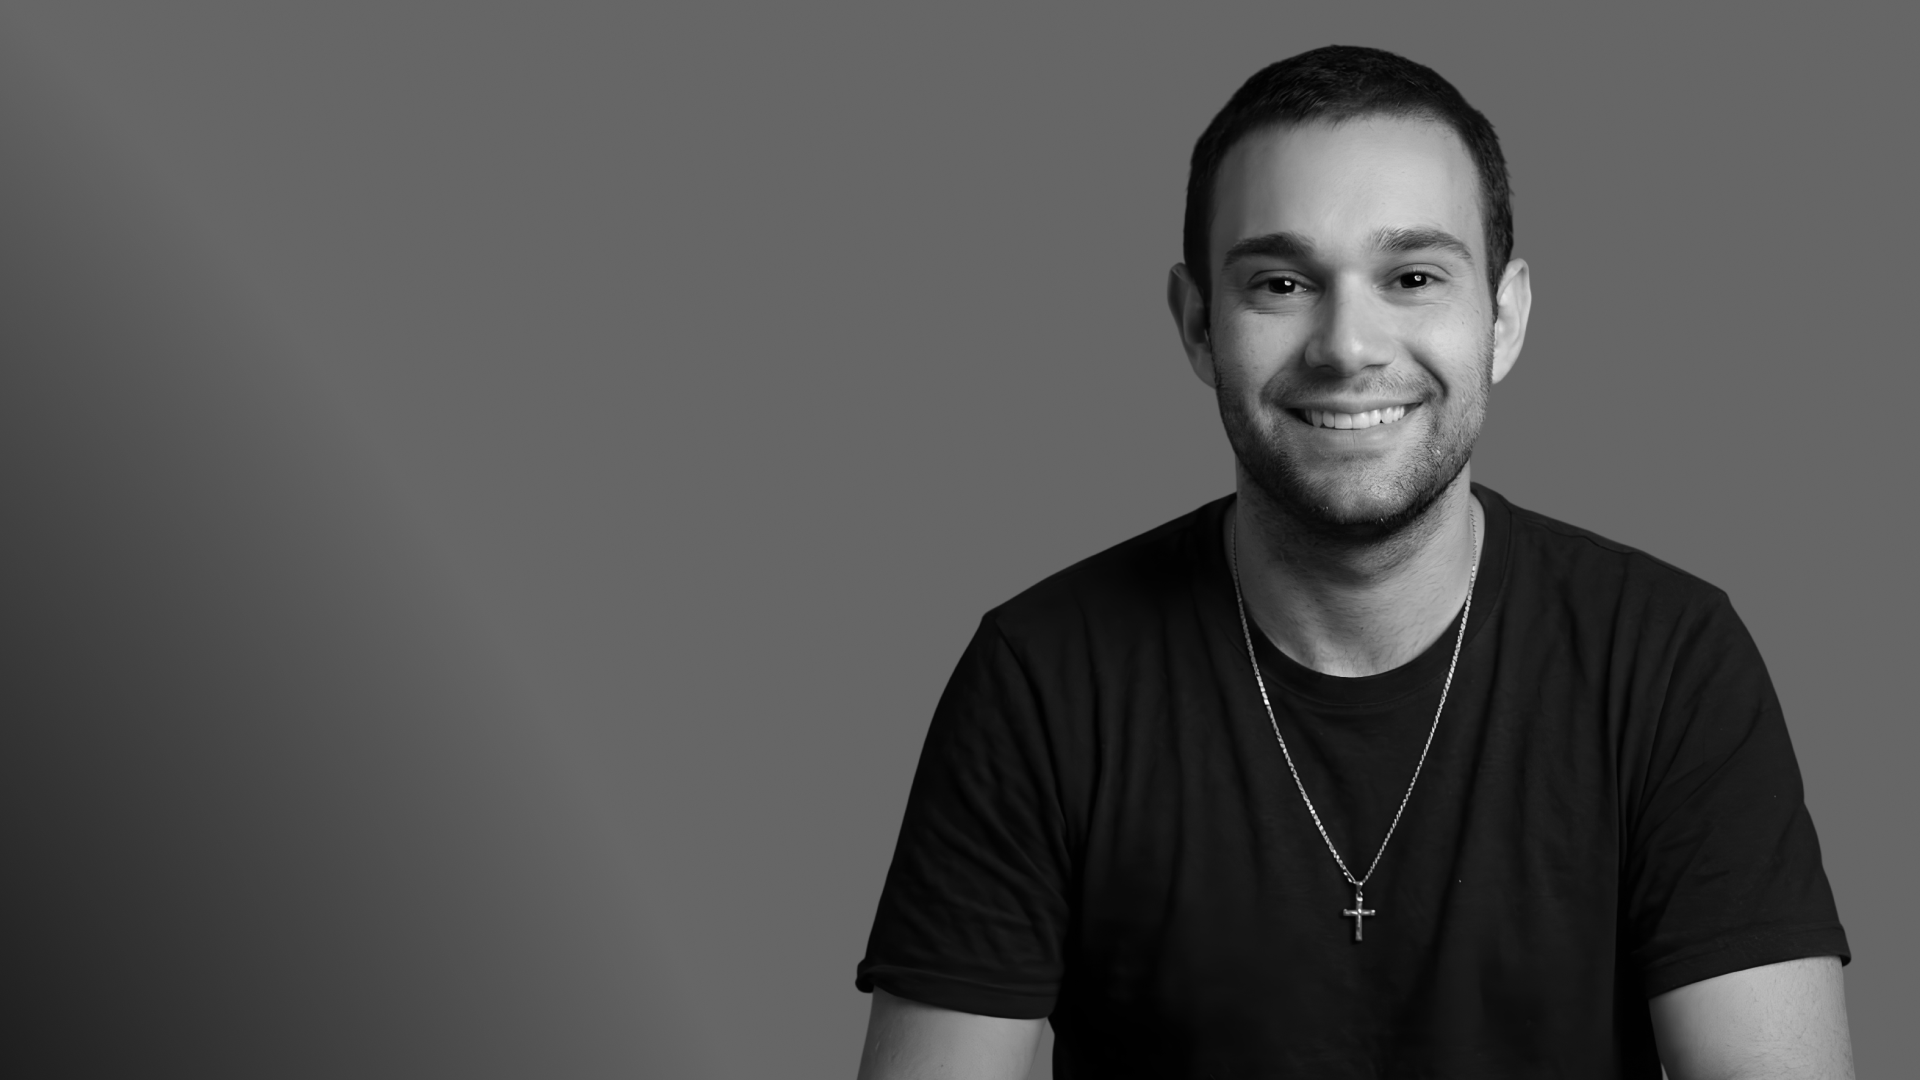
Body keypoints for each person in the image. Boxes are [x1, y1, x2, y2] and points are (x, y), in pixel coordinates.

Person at [852, 45, 1853, 1079]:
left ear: (1503, 318)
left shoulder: (1669, 659)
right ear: (1198, 326)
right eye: (1281, 283)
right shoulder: (1043, 678)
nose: (1347, 346)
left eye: (1413, 278)